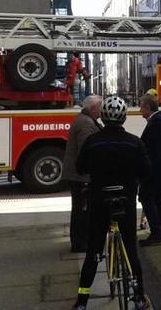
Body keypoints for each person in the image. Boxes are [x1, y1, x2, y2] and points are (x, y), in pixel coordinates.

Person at [72, 96, 151, 310]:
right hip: (125, 201)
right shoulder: (134, 142)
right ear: (124, 118)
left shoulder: (93, 142)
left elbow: (81, 167)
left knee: (93, 252)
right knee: (131, 251)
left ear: (104, 118)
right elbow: (146, 171)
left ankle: (82, 301)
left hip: (100, 201)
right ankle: (140, 297)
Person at [61, 95, 102, 253]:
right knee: (82, 210)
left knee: (80, 208)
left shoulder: (84, 120)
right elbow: (87, 150)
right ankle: (80, 241)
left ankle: (80, 240)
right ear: (92, 109)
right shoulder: (85, 123)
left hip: (78, 174)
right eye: (99, 108)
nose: (101, 111)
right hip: (81, 176)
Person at [137, 94, 161, 245]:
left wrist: (145, 170)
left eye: (141, 107)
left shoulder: (155, 124)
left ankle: (157, 233)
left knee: (146, 197)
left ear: (147, 108)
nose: (140, 110)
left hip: (154, 171)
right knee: (160, 199)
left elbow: (152, 151)